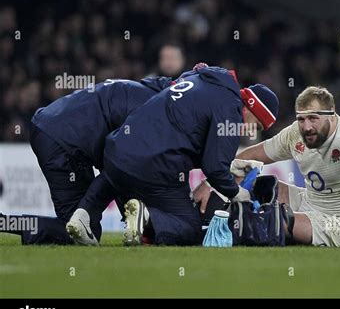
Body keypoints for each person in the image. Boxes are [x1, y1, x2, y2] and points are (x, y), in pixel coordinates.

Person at [66, 65, 279, 246]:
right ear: (251, 107)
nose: (252, 131)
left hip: (118, 145)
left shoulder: (202, 79)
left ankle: (83, 214)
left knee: (114, 176)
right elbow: (213, 167)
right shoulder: (231, 111)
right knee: (190, 226)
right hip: (155, 164)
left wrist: (228, 167)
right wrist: (236, 192)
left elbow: (189, 133)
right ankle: (147, 217)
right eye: (257, 124)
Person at [194, 86, 340, 247]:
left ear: (332, 114)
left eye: (313, 118)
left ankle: (223, 233)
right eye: (301, 119)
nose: (306, 127)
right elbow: (253, 155)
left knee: (275, 222)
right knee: (256, 184)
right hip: (310, 201)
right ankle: (203, 223)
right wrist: (211, 181)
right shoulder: (296, 133)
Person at [0, 76, 172, 244]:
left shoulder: (145, 90)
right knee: (79, 231)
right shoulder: (152, 115)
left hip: (53, 129)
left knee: (84, 225)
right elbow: (120, 168)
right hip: (63, 142)